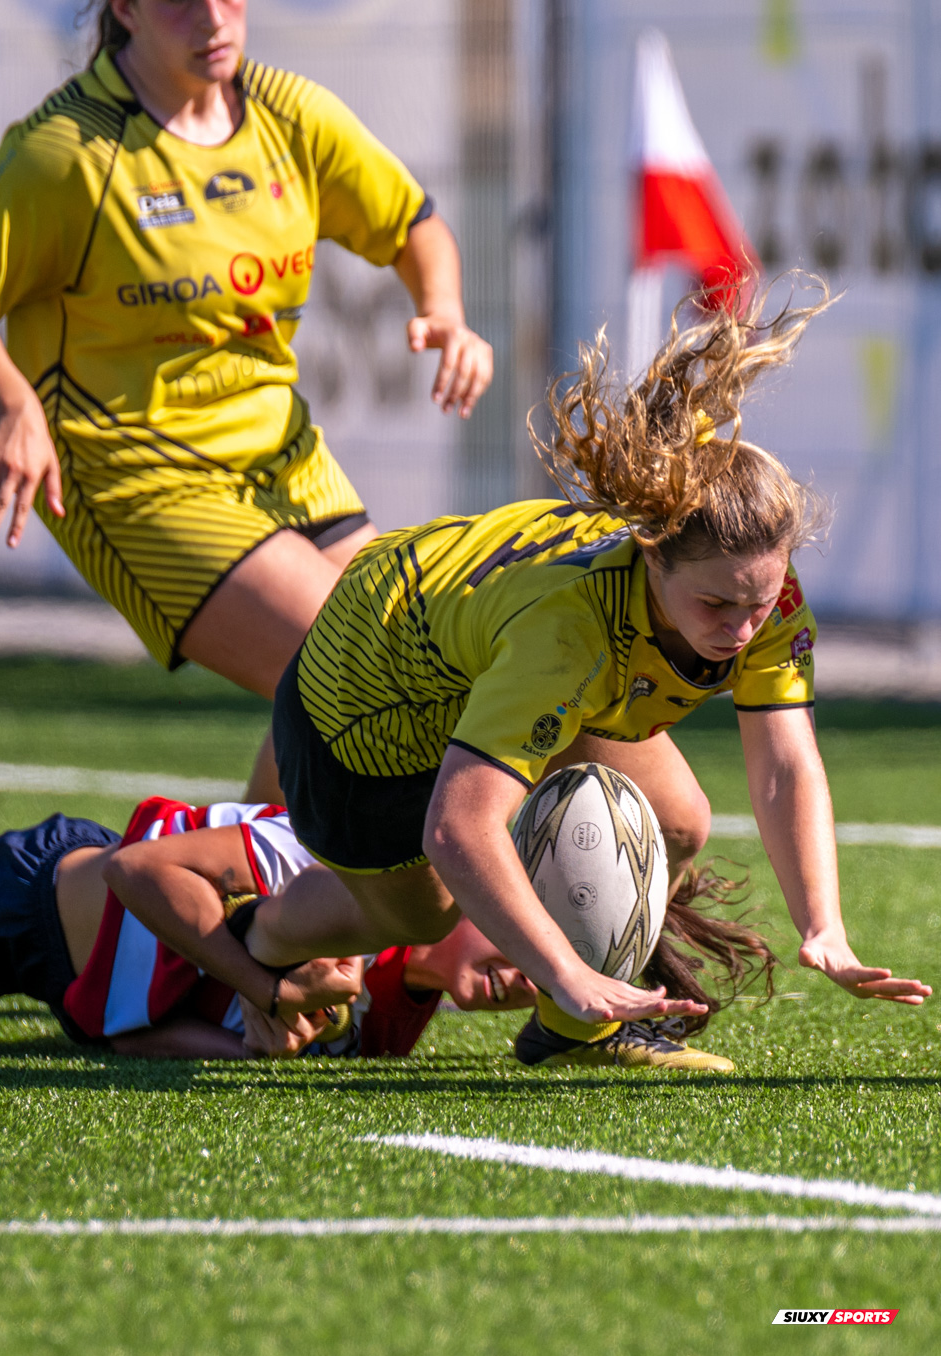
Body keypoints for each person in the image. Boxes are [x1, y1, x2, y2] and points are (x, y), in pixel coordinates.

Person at [234, 283, 934, 1069]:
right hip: (362, 699)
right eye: (714, 605)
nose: (741, 631)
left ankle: (569, 1037)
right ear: (651, 558)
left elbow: (783, 767)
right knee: (421, 913)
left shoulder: (757, 591)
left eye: (757, 602)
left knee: (676, 821)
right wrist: (566, 972)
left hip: (481, 654)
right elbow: (457, 828)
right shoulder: (567, 634)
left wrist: (822, 926)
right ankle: (258, 934)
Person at [0, 0, 494, 802]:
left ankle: (236, 884)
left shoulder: (290, 116)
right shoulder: (69, 152)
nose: (212, 16)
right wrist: (14, 406)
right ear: (124, 7)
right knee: (357, 665)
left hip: (283, 458)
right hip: (130, 471)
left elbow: (412, 221)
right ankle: (265, 889)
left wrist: (446, 309)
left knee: (414, 659)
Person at [0, 692, 536, 1062]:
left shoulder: (391, 1034)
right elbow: (138, 869)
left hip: (73, 989)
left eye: (549, 977)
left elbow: (140, 1040)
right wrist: (262, 987)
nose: (526, 981)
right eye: (531, 944)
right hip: (32, 898)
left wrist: (249, 1052)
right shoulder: (352, 872)